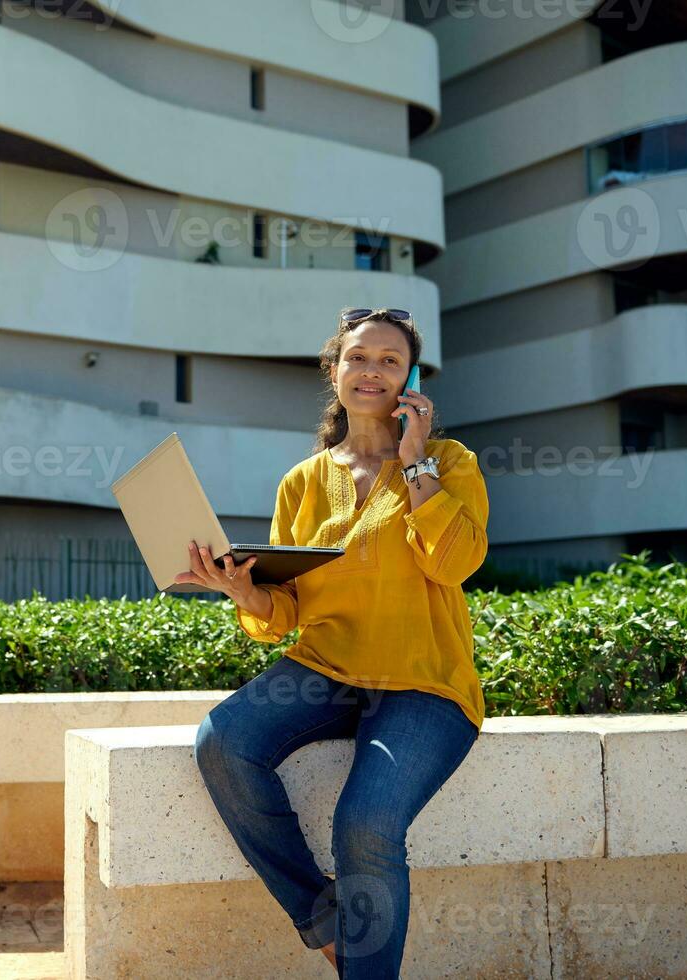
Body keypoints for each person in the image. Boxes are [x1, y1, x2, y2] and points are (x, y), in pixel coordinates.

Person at [178, 307, 488, 978]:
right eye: (357, 357)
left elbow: (453, 564)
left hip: (423, 683)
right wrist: (240, 591)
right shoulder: (302, 481)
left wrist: (415, 466)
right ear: (334, 370)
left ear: (410, 380)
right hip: (322, 669)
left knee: (365, 825)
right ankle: (319, 917)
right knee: (222, 742)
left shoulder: (449, 462)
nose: (370, 370)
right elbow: (283, 610)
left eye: (388, 360)